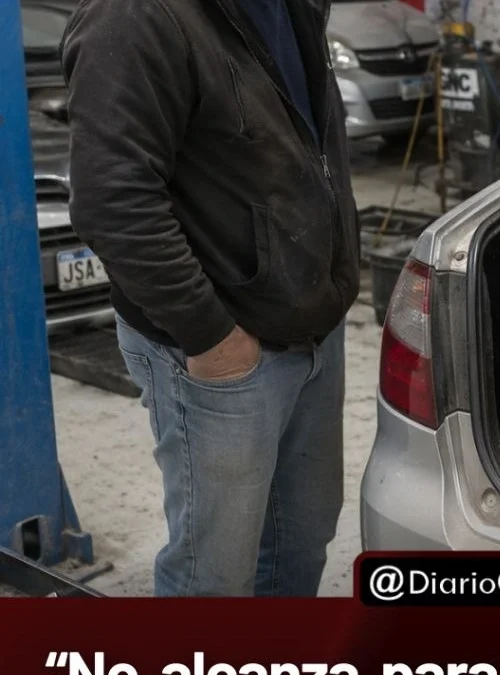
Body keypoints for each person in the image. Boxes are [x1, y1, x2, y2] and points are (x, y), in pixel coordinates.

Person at [61, 0, 360, 596]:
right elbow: (112, 200)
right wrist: (212, 338)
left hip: (311, 327)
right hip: (222, 350)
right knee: (214, 579)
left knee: (299, 546)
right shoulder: (133, 16)